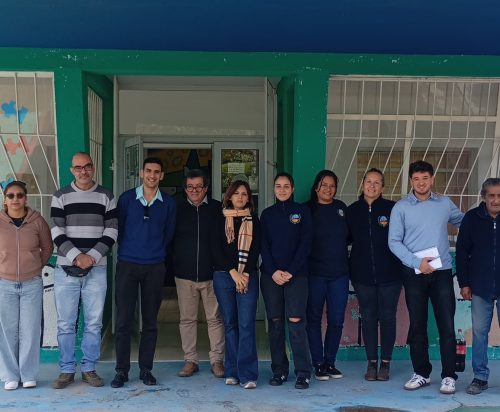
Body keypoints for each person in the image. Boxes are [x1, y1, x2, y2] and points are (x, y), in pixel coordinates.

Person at [388, 160, 463, 394]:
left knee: (447, 325)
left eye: (425, 178)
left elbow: (465, 222)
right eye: (416, 179)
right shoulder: (401, 207)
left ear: (432, 179)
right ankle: (421, 373)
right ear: (411, 181)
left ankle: (449, 376)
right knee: (418, 325)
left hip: (441, 273)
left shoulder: (444, 204)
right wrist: (416, 262)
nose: (421, 183)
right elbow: (394, 242)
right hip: (414, 273)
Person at [51, 152, 118, 389]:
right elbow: (56, 231)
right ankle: (67, 370)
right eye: (78, 167)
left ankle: (89, 368)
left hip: (96, 269)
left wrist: (92, 257)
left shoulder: (106, 196)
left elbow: (112, 230)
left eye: (87, 166)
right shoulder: (60, 196)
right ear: (72, 170)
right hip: (65, 269)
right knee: (65, 324)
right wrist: (77, 257)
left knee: (93, 323)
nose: (83, 171)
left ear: (93, 168)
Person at [111, 157, 176, 388]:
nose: (152, 175)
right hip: (128, 264)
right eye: (148, 171)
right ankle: (121, 371)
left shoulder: (168, 203)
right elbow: (118, 228)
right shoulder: (127, 199)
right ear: (141, 173)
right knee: (123, 320)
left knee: (150, 321)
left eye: (157, 172)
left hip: (154, 266)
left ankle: (146, 369)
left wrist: (153, 251)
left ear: (162, 175)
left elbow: (169, 234)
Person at [346, 168, 402, 381]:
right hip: (362, 274)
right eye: (368, 181)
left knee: (388, 317)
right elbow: (343, 239)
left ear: (383, 187)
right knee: (368, 317)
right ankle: (371, 363)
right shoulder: (352, 211)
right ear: (362, 184)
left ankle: (385, 363)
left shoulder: (393, 209)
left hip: (391, 274)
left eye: (377, 182)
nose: (372, 186)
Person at [260, 172, 313, 390]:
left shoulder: (302, 212)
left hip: (296, 276)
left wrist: (290, 271)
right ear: (274, 189)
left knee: (296, 322)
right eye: (278, 186)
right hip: (271, 277)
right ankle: (279, 370)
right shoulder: (267, 214)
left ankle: (303, 372)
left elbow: (305, 244)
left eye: (286, 186)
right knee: (275, 324)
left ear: (292, 189)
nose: (282, 190)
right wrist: (274, 271)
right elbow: (263, 245)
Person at [0, 180, 53, 390]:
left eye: (19, 195)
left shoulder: (37, 221)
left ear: (25, 198)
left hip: (31, 283)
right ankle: (10, 376)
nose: (15, 199)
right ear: (5, 199)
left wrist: (36, 266)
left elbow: (47, 247)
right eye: (11, 196)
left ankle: (29, 374)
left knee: (30, 330)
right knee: (7, 331)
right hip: (5, 283)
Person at [173, 169, 224, 379]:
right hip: (184, 275)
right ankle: (190, 360)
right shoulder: (176, 209)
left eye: (199, 187)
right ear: (185, 189)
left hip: (212, 274)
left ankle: (217, 361)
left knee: (215, 319)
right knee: (187, 319)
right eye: (190, 187)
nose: (194, 190)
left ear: (206, 188)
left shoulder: (218, 209)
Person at [210, 180, 260, 389]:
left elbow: (256, 249)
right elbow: (215, 249)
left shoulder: (253, 220)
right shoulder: (219, 219)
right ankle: (232, 371)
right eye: (236, 193)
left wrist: (244, 274)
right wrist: (233, 273)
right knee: (230, 324)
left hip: (248, 277)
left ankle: (248, 374)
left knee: (246, 324)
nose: (240, 197)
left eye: (244, 194)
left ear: (249, 198)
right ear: (229, 196)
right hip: (224, 277)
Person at [456, 178, 500, 395]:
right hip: (480, 287)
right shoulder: (472, 218)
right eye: (491, 195)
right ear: (484, 197)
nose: (496, 200)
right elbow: (462, 252)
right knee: (480, 333)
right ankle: (480, 377)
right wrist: (464, 283)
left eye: (499, 196)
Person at [305, 170, 349, 381]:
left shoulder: (341, 208)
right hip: (314, 274)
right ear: (316, 187)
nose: (328, 189)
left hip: (339, 274)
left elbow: (349, 237)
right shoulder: (307, 209)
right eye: (324, 185)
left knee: (337, 320)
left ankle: (330, 362)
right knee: (313, 319)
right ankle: (318, 363)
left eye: (332, 186)